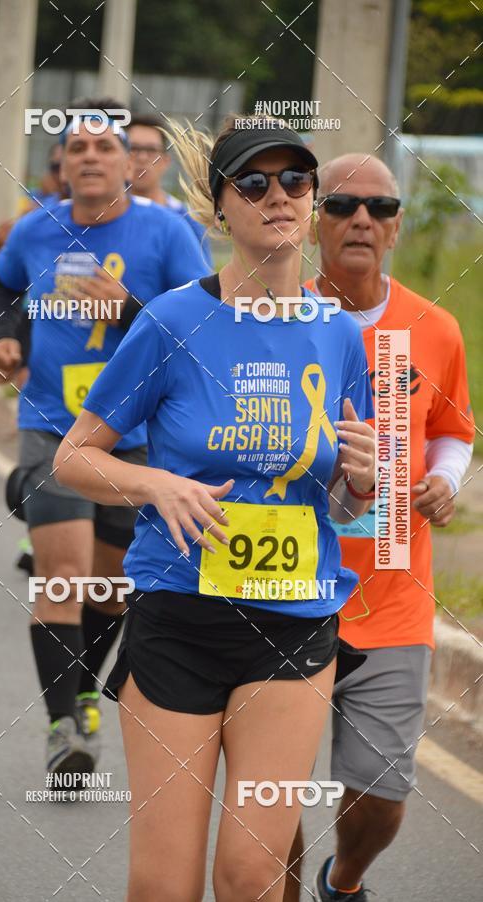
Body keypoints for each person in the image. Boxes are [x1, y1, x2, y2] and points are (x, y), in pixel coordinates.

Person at [54, 118, 376, 901]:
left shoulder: (338, 335)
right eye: (255, 184)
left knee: (252, 873)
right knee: (165, 884)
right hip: (180, 620)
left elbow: (349, 509)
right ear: (219, 206)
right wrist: (157, 485)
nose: (279, 196)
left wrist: (363, 484)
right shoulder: (171, 322)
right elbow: (72, 459)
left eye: (296, 181)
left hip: (294, 624)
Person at [0, 100, 210, 777]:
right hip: (52, 427)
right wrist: (4, 336)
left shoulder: (168, 236)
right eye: (75, 148)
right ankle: (64, 729)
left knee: (110, 590)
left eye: (102, 148)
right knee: (62, 575)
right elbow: (2, 288)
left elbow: (205, 327)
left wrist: (128, 309)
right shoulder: (35, 232)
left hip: (133, 436)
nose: (88, 157)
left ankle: (82, 692)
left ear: (127, 163)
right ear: (61, 166)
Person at [284, 153, 475, 902]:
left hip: (393, 596)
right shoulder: (279, 320)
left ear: (395, 228)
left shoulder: (435, 328)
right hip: (286, 589)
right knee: (273, 792)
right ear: (313, 222)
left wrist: (445, 482)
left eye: (381, 207)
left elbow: (455, 429)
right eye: (341, 205)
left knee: (381, 795)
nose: (361, 218)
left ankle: (344, 880)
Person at [128, 112, 212, 263]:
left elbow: (202, 280)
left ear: (165, 161)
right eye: (134, 148)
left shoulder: (188, 219)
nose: (141, 158)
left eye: (151, 150)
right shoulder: (101, 213)